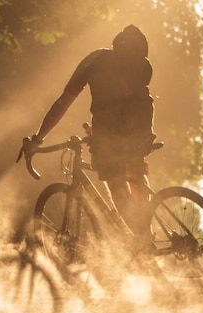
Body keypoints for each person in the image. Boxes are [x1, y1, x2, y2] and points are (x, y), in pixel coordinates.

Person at [20, 24, 157, 242]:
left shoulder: (96, 61)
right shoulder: (141, 68)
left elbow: (63, 103)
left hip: (110, 132)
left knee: (115, 182)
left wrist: (37, 139)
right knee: (134, 170)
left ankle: (142, 239)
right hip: (141, 127)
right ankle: (147, 233)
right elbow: (130, 102)